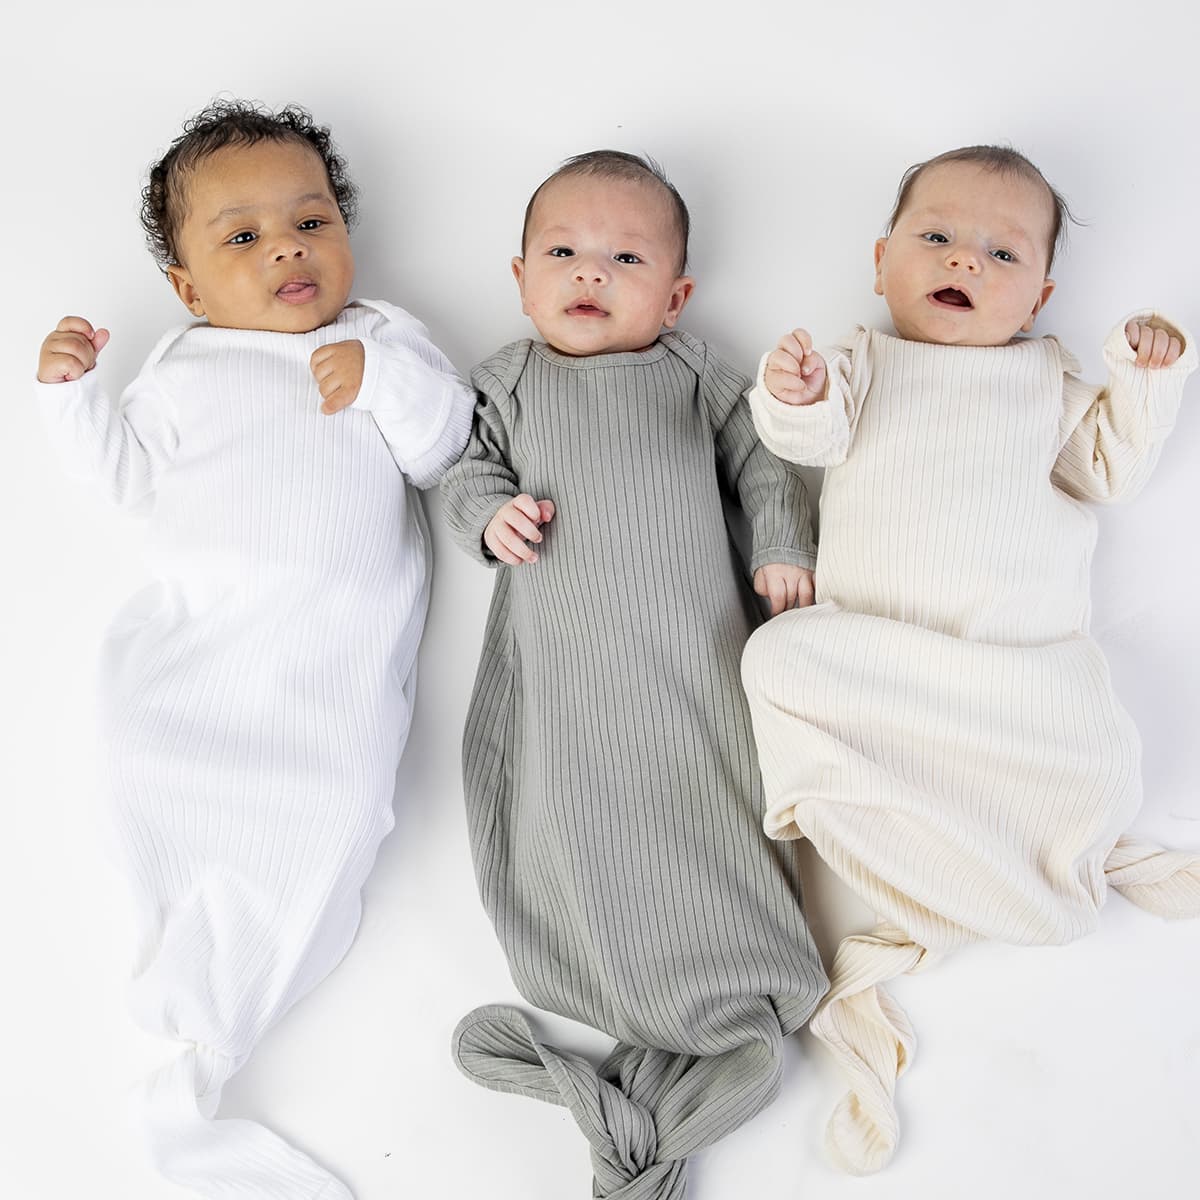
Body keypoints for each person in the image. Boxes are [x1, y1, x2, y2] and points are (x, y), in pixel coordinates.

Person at [35, 99, 474, 1200]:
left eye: (311, 221)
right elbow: (123, 483)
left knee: (335, 813)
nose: (287, 247)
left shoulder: (375, 340)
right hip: (192, 656)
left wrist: (385, 385)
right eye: (242, 238)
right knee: (154, 783)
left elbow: (444, 446)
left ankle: (220, 1022)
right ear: (187, 290)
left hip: (328, 664)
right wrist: (71, 397)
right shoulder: (182, 371)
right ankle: (184, 1013)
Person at [741, 144, 1200, 1176]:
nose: (967, 261)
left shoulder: (1046, 381)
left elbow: (1112, 472)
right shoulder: (862, 360)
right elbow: (805, 441)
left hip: (1016, 676)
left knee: (1091, 740)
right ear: (881, 259)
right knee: (780, 656)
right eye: (937, 236)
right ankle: (957, 878)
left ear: (1040, 294)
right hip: (886, 677)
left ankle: (1026, 868)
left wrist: (1148, 380)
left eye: (1003, 251)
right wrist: (794, 388)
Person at [440, 150, 828, 1198]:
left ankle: (712, 1005)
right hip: (572, 678)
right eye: (562, 253)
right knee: (582, 814)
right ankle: (647, 1011)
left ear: (675, 294)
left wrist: (778, 545)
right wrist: (490, 514)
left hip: (698, 662)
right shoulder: (511, 380)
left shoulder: (698, 377)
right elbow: (463, 467)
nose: (589, 275)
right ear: (520, 276)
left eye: (624, 257)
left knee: (709, 806)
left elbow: (767, 459)